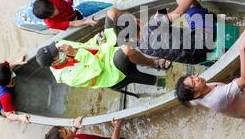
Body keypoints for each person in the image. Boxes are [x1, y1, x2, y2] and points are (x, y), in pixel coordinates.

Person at [174, 27, 245, 125]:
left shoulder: (196, 97)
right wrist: (242, 49)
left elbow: (192, 102)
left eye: (192, 77)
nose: (197, 78)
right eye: (194, 83)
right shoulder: (217, 96)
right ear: (196, 95)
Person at [108, 0, 216, 64]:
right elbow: (179, 12)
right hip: (206, 41)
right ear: (135, 21)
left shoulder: (142, 48)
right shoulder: (152, 25)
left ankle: (205, 17)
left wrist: (159, 22)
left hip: (197, 59)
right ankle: (211, 19)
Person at [35, 23, 171, 89]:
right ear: (54, 63)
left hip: (103, 51)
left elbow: (85, 45)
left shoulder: (62, 45)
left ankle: (154, 39)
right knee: (126, 50)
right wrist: (76, 53)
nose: (60, 49)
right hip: (107, 72)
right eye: (57, 53)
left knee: (113, 14)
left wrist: (97, 40)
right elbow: (97, 69)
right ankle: (153, 63)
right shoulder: (69, 78)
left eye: (56, 48)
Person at [0, 55, 30, 124]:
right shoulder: (6, 96)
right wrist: (20, 117)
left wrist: (17, 62)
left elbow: (8, 67)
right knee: (8, 112)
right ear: (9, 79)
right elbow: (9, 115)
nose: (10, 67)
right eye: (10, 71)